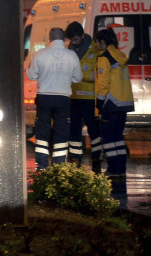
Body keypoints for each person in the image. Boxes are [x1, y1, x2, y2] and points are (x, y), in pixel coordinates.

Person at [26, 27, 83, 170]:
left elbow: (31, 76)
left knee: (42, 130)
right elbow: (78, 78)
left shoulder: (40, 54)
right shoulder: (72, 55)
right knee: (61, 130)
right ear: (64, 39)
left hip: (44, 97)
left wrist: (28, 68)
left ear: (50, 39)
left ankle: (42, 164)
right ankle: (58, 164)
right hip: (63, 98)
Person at [94, 27, 135, 178]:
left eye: (97, 42)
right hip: (123, 103)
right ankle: (120, 168)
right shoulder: (120, 55)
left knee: (108, 138)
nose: (96, 45)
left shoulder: (105, 58)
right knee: (118, 137)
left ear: (103, 42)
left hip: (110, 104)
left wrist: (99, 102)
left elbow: (104, 82)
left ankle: (112, 168)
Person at [64, 21, 102, 172]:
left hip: (89, 98)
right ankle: (75, 158)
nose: (73, 43)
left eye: (75, 39)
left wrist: (79, 75)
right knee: (74, 130)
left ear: (82, 35)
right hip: (73, 97)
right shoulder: (70, 49)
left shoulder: (94, 49)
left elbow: (98, 73)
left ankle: (97, 157)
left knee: (93, 129)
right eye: (71, 40)